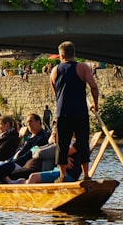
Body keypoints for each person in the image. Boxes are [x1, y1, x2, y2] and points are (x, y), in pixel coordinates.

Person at [50, 40, 99, 181]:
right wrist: (95, 105)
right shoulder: (82, 68)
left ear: (61, 55)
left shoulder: (54, 71)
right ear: (74, 54)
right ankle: (86, 175)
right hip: (80, 111)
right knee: (82, 142)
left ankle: (63, 175)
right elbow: (94, 87)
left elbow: (56, 94)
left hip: (63, 112)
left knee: (62, 144)